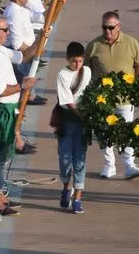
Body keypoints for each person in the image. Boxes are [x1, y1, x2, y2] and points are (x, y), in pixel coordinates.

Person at [0, 15, 38, 216]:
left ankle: (0, 195)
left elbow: (23, 57)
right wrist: (23, 85)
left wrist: (42, 38)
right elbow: (0, 91)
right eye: (6, 30)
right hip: (1, 111)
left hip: (7, 109)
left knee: (2, 155)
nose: (9, 33)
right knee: (1, 155)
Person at [85, 11, 139, 179]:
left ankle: (129, 165)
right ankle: (109, 165)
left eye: (111, 27)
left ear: (118, 27)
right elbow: (86, 68)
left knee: (127, 131)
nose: (107, 31)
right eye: (104, 27)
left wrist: (130, 79)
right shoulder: (94, 45)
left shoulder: (131, 42)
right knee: (104, 132)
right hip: (102, 99)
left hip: (125, 98)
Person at [54, 41, 91, 214]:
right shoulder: (62, 74)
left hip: (83, 122)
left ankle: (77, 197)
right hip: (67, 120)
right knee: (65, 159)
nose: (77, 65)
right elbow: (68, 102)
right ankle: (66, 187)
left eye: (80, 61)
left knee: (80, 160)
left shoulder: (87, 72)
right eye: (74, 61)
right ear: (67, 59)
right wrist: (83, 115)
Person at [2, 0, 47, 106]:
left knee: (28, 74)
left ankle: (30, 95)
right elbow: (17, 44)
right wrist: (34, 50)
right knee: (24, 77)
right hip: (20, 53)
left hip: (27, 50)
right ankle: (26, 97)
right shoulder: (14, 13)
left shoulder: (20, 9)